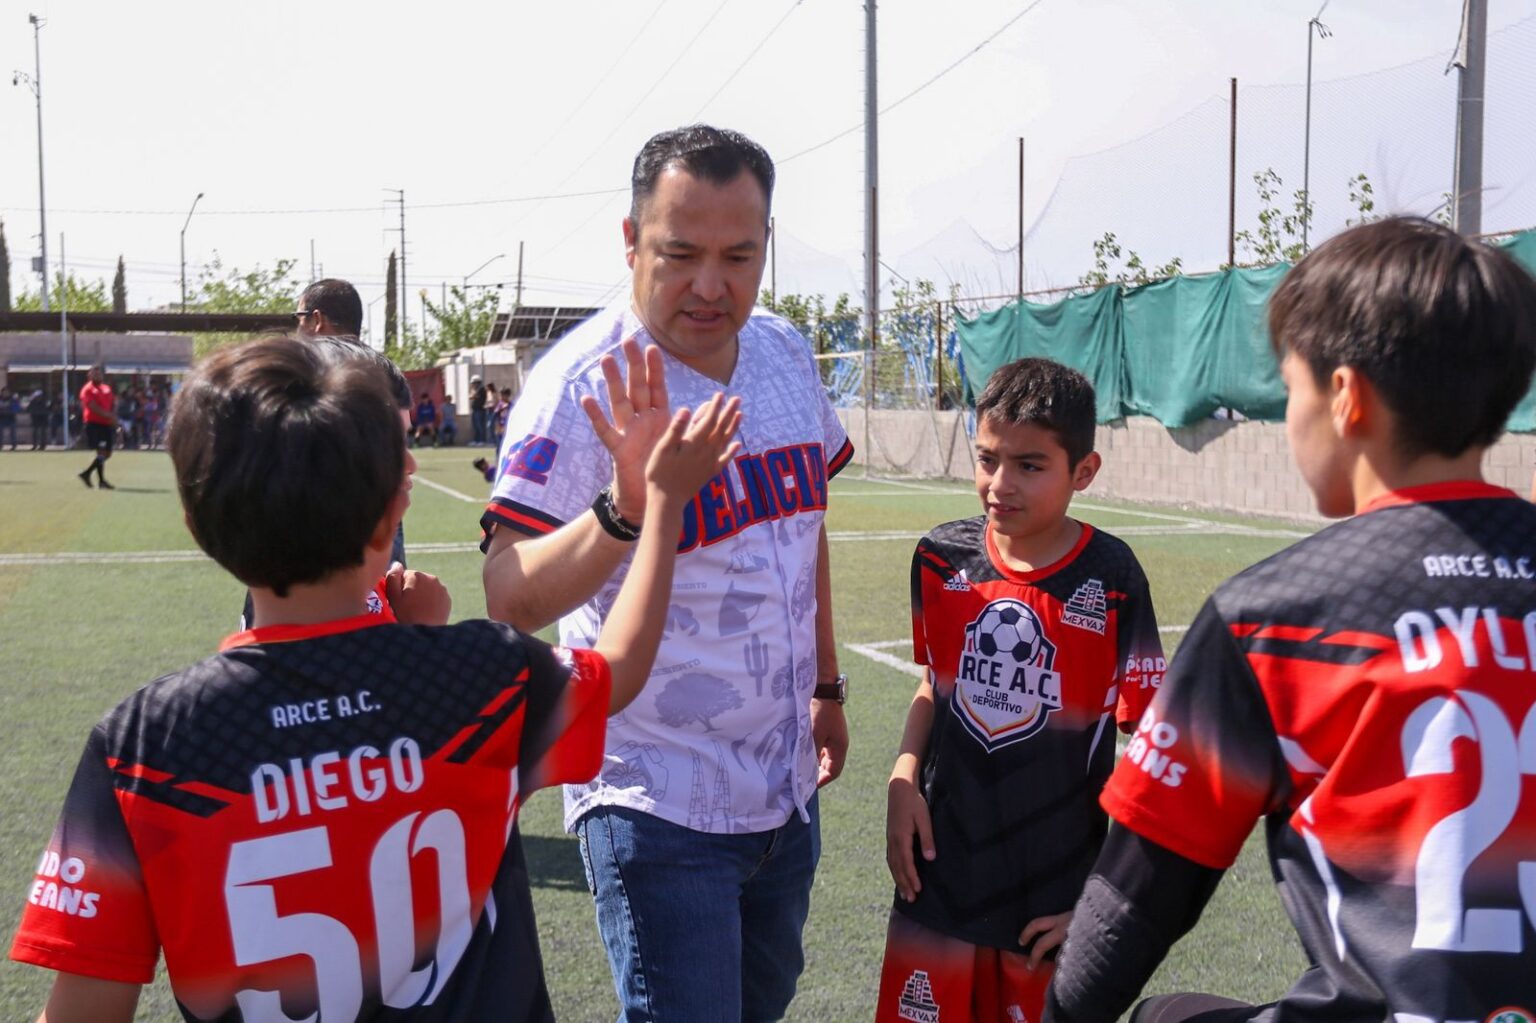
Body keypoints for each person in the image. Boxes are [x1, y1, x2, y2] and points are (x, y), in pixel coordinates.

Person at [8, 333, 742, 1023]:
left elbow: (82, 1009)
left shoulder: (141, 746)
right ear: (394, 509)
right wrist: (658, 505)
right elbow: (617, 671)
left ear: (199, 521)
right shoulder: (479, 676)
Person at [1045, 217, 1536, 1023]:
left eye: (1291, 386)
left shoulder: (1275, 617)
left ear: (1346, 398)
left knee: (1159, 1015)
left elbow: (1139, 896)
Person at [480, 124, 855, 1022]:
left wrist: (829, 682)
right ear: (630, 240)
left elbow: (808, 531)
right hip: (654, 794)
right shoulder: (582, 384)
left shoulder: (783, 352)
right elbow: (508, 594)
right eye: (680, 253)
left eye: (740, 255)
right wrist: (627, 509)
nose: (711, 286)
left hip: (783, 785)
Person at [876, 358, 1165, 1023]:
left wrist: (1104, 894)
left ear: (1083, 472)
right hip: (938, 876)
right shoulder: (939, 558)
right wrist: (902, 776)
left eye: (1029, 465)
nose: (999, 484)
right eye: (987, 459)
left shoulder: (1114, 577)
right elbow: (934, 681)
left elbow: (1154, 749)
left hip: (1053, 895)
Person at [76, 364, 117, 489]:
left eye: (98, 373)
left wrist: (113, 416)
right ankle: (101, 481)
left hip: (106, 424)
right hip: (94, 424)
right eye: (94, 373)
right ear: (89, 375)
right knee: (101, 451)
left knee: (107, 453)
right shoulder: (87, 389)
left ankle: (87, 473)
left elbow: (113, 403)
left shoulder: (106, 388)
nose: (97, 375)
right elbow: (92, 406)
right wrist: (109, 415)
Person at [470, 376, 488, 445]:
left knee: (480, 426)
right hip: (475, 410)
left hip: (479, 410)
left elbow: (473, 396)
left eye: (474, 383)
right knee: (475, 426)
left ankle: (482, 440)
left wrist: (473, 392)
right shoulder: (476, 390)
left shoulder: (481, 390)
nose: (473, 385)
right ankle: (476, 440)